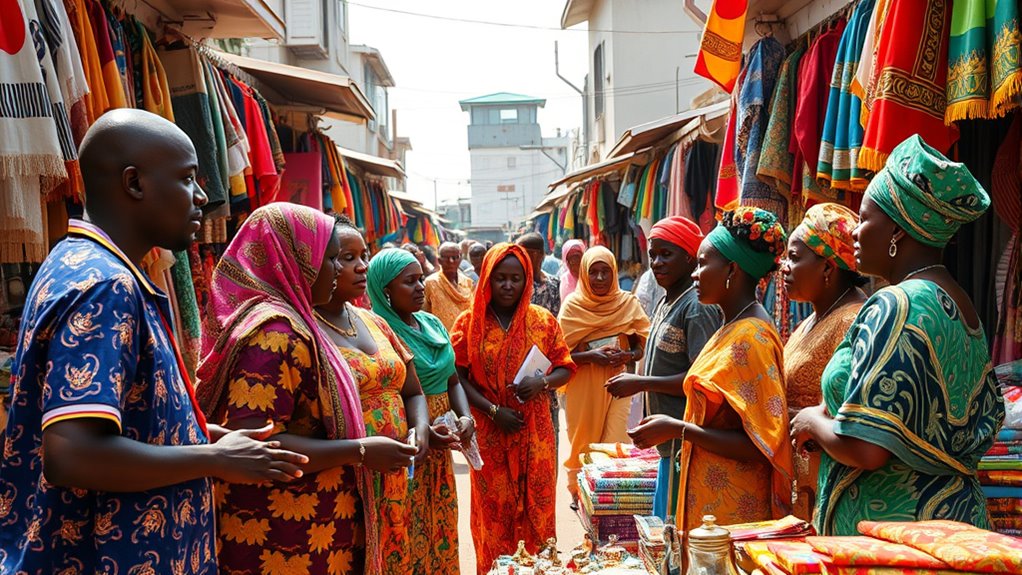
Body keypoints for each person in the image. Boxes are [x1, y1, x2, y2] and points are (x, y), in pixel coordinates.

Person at [0, 110, 306, 575]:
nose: (203, 196)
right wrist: (215, 458)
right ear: (135, 184)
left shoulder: (84, 262)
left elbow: (120, 420)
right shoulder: (105, 285)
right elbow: (73, 455)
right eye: (187, 179)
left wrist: (205, 436)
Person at [790, 135, 1005, 535]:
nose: (856, 231)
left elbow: (868, 449)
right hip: (951, 522)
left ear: (897, 231)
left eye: (867, 218)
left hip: (892, 532)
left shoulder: (896, 305)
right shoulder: (958, 303)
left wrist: (810, 422)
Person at [196, 204, 415, 575]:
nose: (336, 271)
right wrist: (360, 451)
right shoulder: (275, 334)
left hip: (315, 528)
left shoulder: (296, 322)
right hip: (284, 538)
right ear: (292, 261)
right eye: (331, 258)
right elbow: (256, 443)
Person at [628, 207, 794, 531]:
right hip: (710, 507)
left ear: (731, 269)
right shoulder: (730, 325)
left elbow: (763, 444)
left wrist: (679, 429)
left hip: (734, 514)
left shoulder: (752, 339)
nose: (694, 273)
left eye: (702, 263)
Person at [450, 244, 576, 573]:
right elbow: (458, 378)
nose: (508, 286)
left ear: (527, 281)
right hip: (491, 433)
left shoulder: (543, 321)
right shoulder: (469, 324)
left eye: (516, 279)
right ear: (487, 280)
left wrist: (543, 383)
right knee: (494, 515)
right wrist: (493, 411)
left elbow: (565, 366)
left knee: (538, 510)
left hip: (535, 433)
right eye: (500, 278)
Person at [315, 222, 431, 574]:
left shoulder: (374, 321)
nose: (362, 265)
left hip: (396, 476)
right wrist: (364, 451)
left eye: (363, 255)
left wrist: (421, 430)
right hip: (349, 479)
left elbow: (412, 391)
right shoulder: (307, 329)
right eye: (346, 257)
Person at [366, 248, 476, 575]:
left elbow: (452, 378)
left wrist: (465, 416)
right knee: (407, 524)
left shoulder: (432, 324)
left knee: (441, 518)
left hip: (442, 437)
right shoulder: (377, 333)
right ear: (385, 289)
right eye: (409, 282)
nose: (420, 288)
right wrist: (423, 431)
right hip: (409, 441)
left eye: (420, 280)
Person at [605, 217, 722, 520]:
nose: (656, 263)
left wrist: (642, 383)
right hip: (668, 444)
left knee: (676, 527)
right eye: (653, 255)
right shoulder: (667, 302)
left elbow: (701, 379)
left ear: (688, 257)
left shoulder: (697, 307)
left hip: (686, 442)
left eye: (666, 254)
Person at [779, 203, 867, 521]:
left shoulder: (852, 320)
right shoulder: (811, 320)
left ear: (828, 268)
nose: (783, 267)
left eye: (794, 257)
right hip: (801, 479)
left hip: (829, 480)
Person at [558, 246, 650, 497]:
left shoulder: (627, 303)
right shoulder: (572, 307)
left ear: (614, 273)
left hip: (618, 382)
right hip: (583, 384)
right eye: (594, 272)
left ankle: (609, 499)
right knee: (583, 442)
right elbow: (559, 356)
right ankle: (580, 494)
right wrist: (589, 356)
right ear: (585, 275)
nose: (599, 278)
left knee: (615, 441)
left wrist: (628, 356)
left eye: (605, 272)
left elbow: (640, 347)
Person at [424, 242, 475, 331]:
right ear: (439, 260)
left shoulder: (467, 282)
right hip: (441, 338)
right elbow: (424, 315)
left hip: (464, 337)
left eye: (455, 258)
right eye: (446, 258)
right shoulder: (430, 283)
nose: (451, 261)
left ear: (460, 259)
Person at [559, 239, 586, 303]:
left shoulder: (590, 278)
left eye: (578, 257)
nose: (577, 262)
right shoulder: (562, 282)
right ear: (566, 262)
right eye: (572, 259)